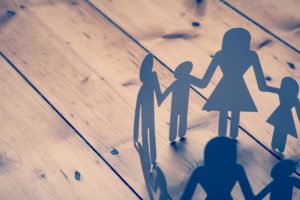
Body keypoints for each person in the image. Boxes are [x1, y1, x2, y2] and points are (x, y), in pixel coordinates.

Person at [199, 28, 273, 139]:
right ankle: (231, 135)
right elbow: (261, 84)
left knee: (224, 110)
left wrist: (193, 81)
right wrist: (272, 89)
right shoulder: (251, 56)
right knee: (235, 110)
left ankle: (223, 135)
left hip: (224, 86)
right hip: (239, 87)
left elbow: (205, 80)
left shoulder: (221, 54)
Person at [181, 137, 255, 200]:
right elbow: (250, 198)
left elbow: (185, 198)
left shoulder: (199, 172)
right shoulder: (237, 170)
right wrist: (266, 190)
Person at [160, 61, 203, 142]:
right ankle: (176, 134)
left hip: (180, 105)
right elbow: (202, 83)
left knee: (178, 118)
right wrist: (160, 99)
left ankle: (178, 133)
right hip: (178, 105)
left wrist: (160, 99)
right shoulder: (183, 81)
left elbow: (201, 84)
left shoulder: (182, 80)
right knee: (177, 118)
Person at [133, 54, 163, 169]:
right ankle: (150, 158)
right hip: (147, 115)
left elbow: (158, 96)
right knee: (148, 133)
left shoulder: (152, 78)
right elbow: (137, 110)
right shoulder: (145, 86)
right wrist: (135, 133)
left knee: (148, 133)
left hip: (149, 115)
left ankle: (151, 158)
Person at [266, 77, 300, 153]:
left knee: (279, 129)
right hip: (286, 115)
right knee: (281, 130)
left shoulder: (282, 92)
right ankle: (278, 145)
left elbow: (267, 88)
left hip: (281, 113)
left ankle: (277, 145)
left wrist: (263, 86)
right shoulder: (293, 98)